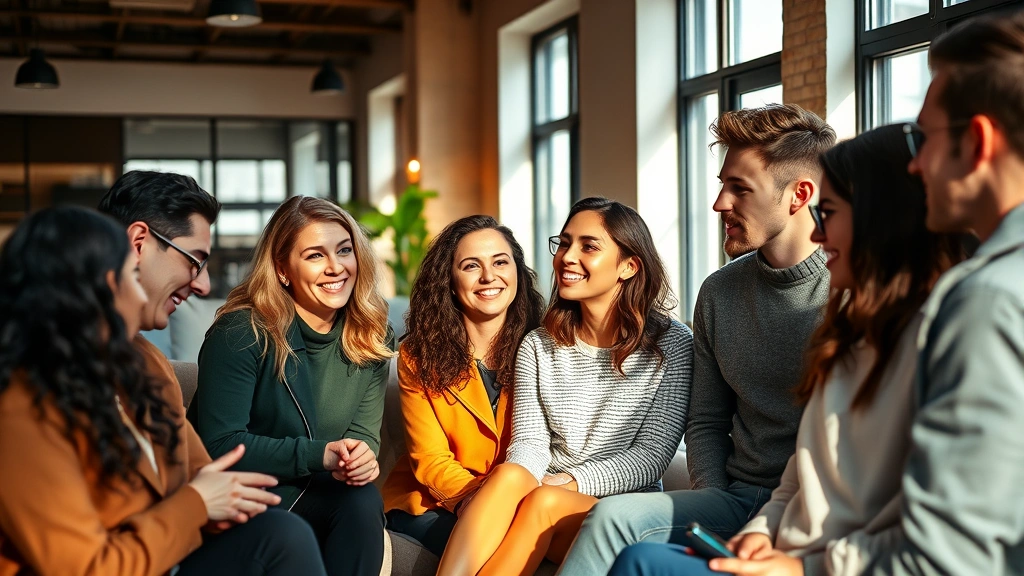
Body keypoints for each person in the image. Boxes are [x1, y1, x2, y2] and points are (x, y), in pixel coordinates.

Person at [607, 124, 967, 576]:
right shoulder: (847, 334)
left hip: (822, 557)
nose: (820, 233)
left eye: (830, 213)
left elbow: (921, 524)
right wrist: (760, 526)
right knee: (638, 554)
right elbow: (799, 462)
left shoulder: (933, 341)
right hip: (765, 519)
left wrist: (801, 565)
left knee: (643, 561)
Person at [558, 104, 836, 576]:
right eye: (722, 185)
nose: (720, 203)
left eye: (740, 189)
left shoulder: (849, 293)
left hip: (815, 511)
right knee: (612, 517)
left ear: (799, 195)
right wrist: (715, 495)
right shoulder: (719, 292)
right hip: (733, 501)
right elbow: (707, 419)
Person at [0, 206, 327, 576]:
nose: (140, 298)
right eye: (129, 279)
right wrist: (197, 504)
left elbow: (200, 475)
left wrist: (216, 506)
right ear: (88, 290)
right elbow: (84, 566)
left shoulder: (143, 365)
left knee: (281, 532)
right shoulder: (20, 409)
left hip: (166, 556)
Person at [437, 197, 694, 576]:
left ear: (628, 266)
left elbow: (650, 457)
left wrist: (572, 481)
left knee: (543, 503)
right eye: (565, 243)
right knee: (511, 476)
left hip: (620, 512)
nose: (567, 257)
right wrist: (524, 482)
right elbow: (529, 444)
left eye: (588, 246)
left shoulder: (672, 344)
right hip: (544, 496)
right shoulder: (538, 345)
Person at [864, 11, 1024, 575]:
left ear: (977, 141)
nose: (916, 163)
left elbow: (945, 558)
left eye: (923, 138)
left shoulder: (988, 300)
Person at [190, 195, 395, 576]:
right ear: (283, 269)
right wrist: (320, 455)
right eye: (315, 255)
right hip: (246, 500)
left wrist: (360, 459)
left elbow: (364, 437)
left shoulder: (372, 334)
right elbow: (219, 444)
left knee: (362, 499)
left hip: (319, 496)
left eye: (344, 250)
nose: (336, 268)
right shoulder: (241, 332)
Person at [381, 215, 545, 557]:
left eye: (501, 262)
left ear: (517, 272)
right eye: (472, 266)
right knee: (493, 547)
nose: (489, 276)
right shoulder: (417, 355)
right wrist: (486, 500)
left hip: (521, 499)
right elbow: (431, 460)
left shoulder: (546, 348)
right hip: (437, 501)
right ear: (450, 281)